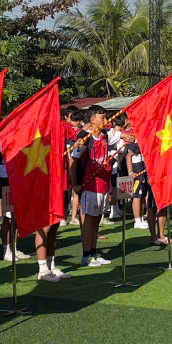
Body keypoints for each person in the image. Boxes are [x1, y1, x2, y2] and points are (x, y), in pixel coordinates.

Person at [71, 107, 112, 267]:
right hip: (89, 186)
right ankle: (86, 255)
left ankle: (94, 252)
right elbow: (73, 161)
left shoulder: (105, 136)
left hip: (103, 186)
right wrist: (75, 184)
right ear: (93, 119)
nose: (105, 121)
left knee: (96, 221)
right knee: (88, 221)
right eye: (102, 118)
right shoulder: (85, 138)